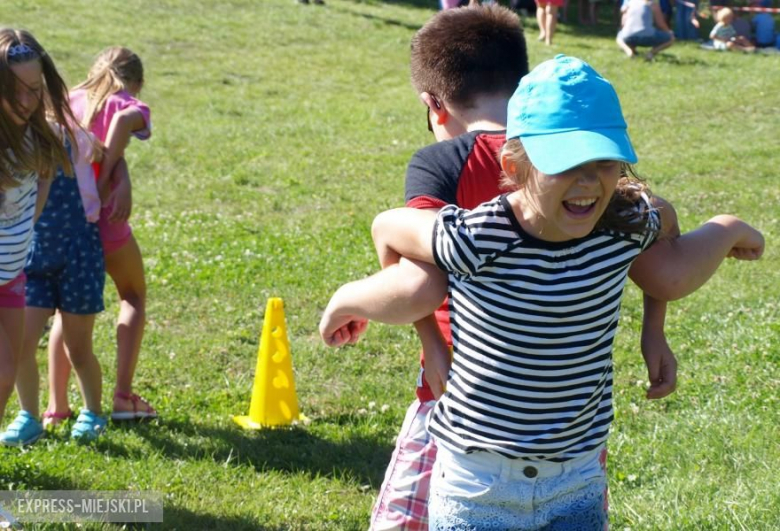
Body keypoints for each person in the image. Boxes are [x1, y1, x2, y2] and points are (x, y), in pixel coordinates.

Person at [320, 55, 764, 528]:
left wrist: (657, 326)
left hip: (576, 481)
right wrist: (352, 301)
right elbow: (386, 227)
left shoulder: (622, 223)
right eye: (567, 164)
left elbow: (668, 232)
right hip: (479, 484)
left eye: (605, 162)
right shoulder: (475, 237)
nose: (590, 181)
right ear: (515, 163)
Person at [43, 46, 157, 428]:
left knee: (65, 309)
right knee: (133, 295)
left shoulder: (67, 99)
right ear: (137, 82)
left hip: (65, 223)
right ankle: (123, 396)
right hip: (106, 222)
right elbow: (125, 119)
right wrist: (111, 177)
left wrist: (115, 170)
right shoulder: (129, 102)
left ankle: (56, 407)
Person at [0, 28, 76, 444]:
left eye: (35, 89)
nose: (27, 101)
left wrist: (25, 226)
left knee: (7, 374)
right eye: (15, 91)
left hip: (12, 276)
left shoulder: (41, 133)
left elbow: (44, 178)